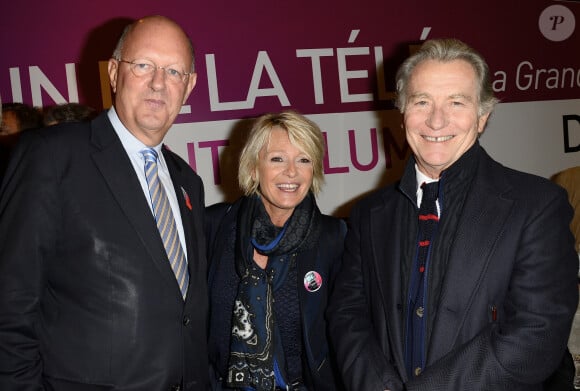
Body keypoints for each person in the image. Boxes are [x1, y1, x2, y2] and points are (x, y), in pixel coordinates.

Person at [327, 38, 578, 391]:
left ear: (483, 117)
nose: (436, 120)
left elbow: (537, 333)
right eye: (422, 101)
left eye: (456, 102)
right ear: (403, 113)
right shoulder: (368, 214)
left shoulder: (537, 205)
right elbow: (347, 315)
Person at [0, 15, 209, 390]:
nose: (159, 83)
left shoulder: (187, 182)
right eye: (143, 65)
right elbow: (9, 306)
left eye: (174, 72)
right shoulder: (52, 156)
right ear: (114, 72)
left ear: (189, 86)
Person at [205, 111, 346, 390]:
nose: (291, 172)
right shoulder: (212, 226)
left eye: (304, 160)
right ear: (254, 167)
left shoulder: (335, 237)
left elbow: (348, 328)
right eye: (277, 158)